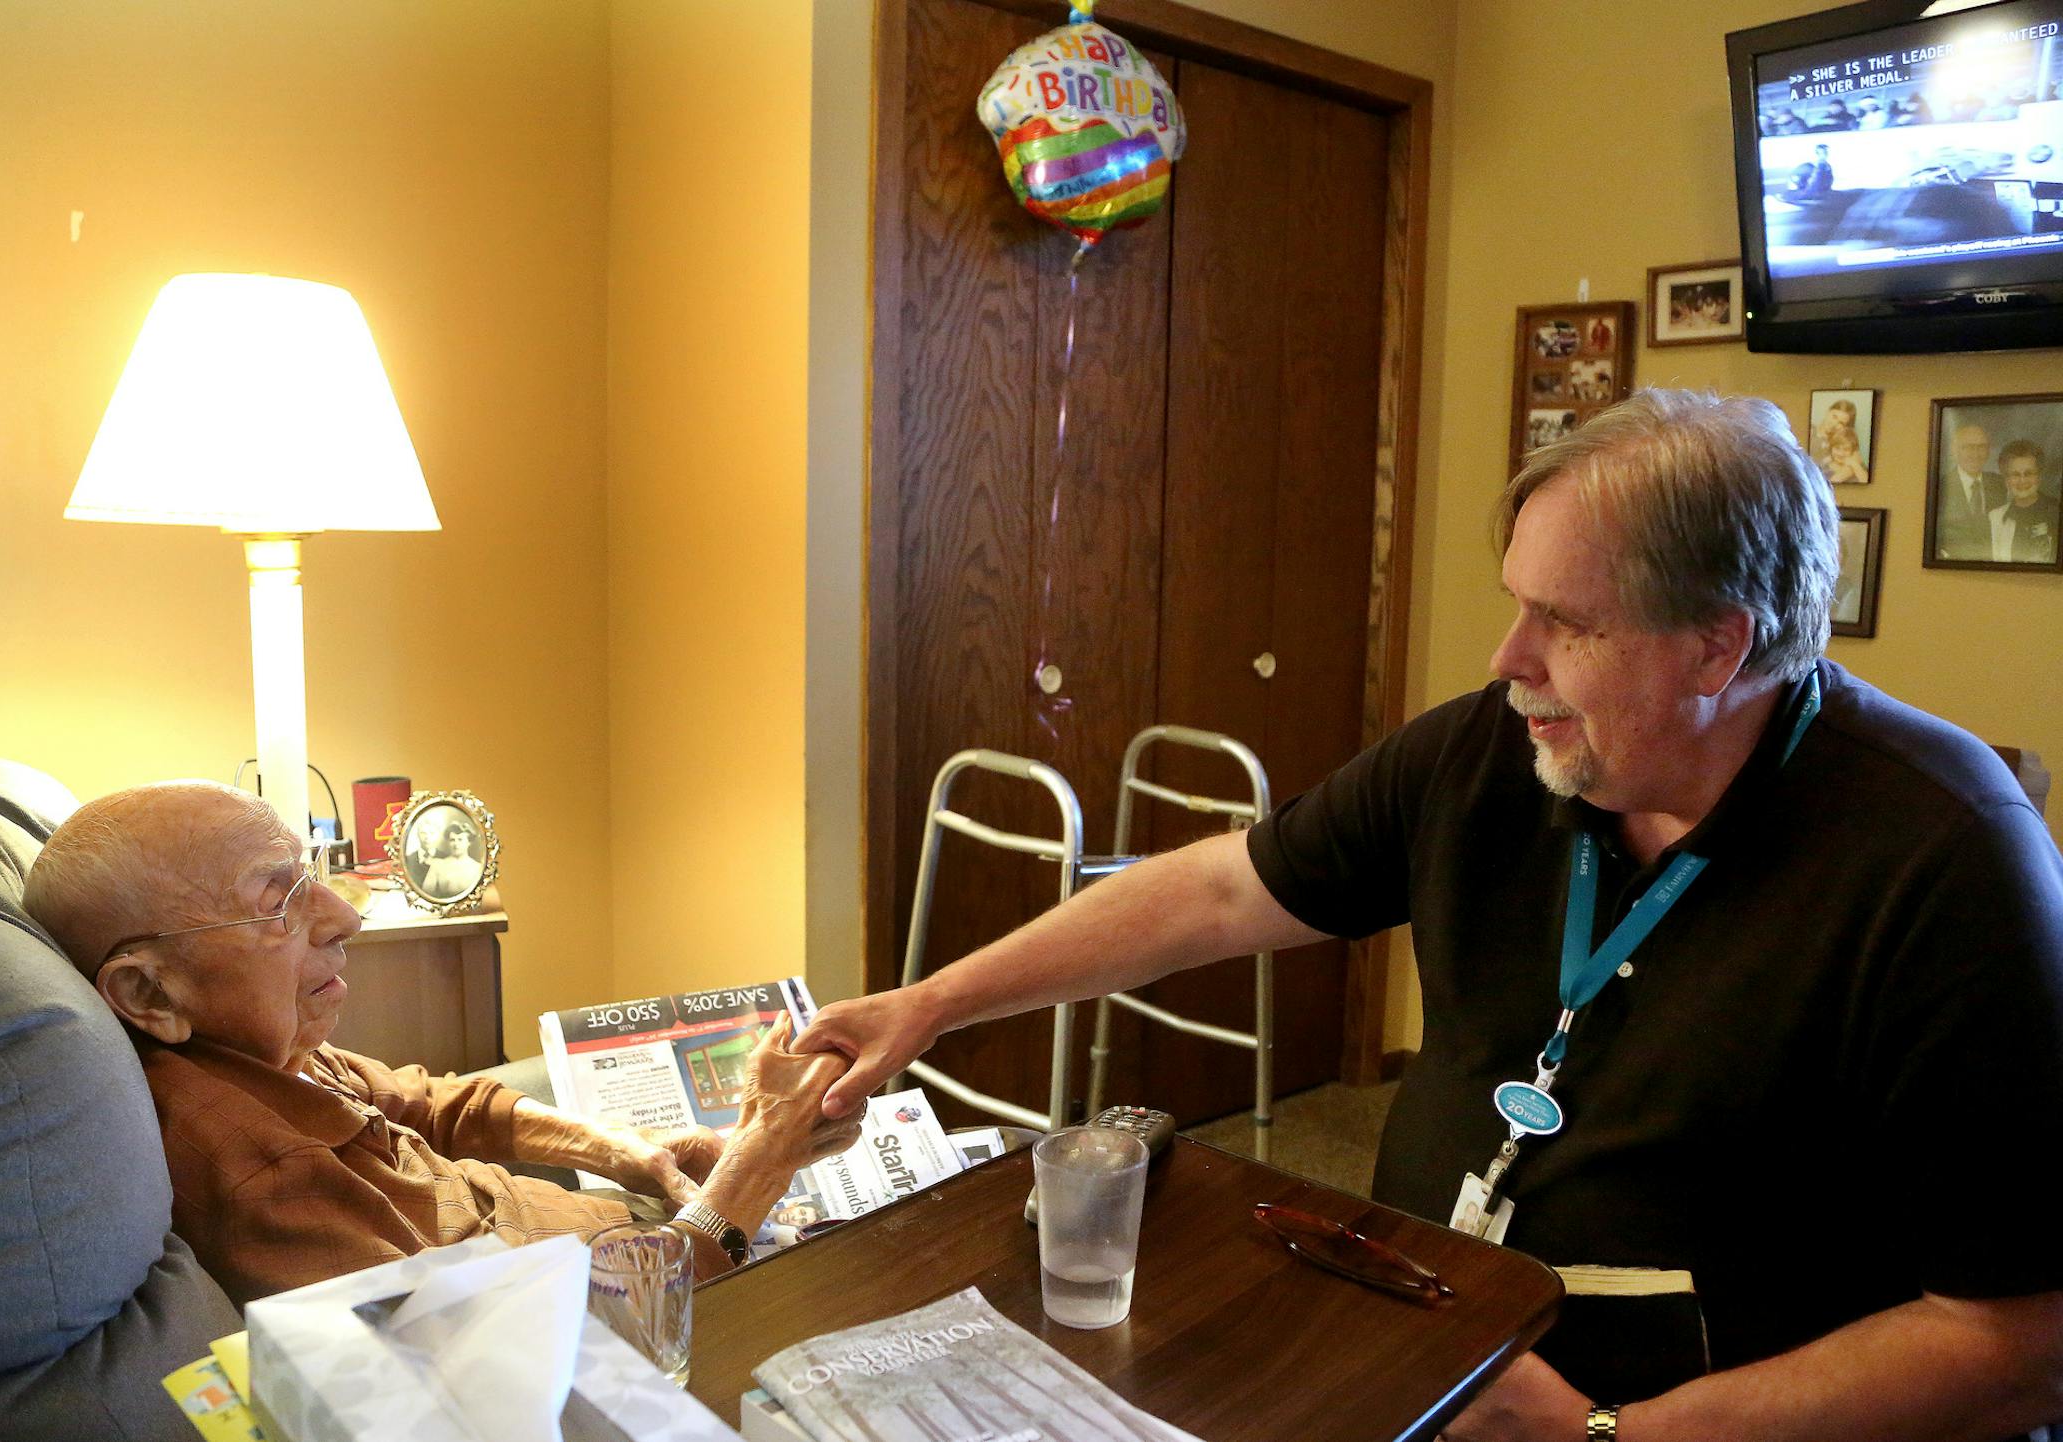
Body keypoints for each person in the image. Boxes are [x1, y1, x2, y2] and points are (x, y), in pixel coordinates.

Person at [800, 390, 2063, 1441]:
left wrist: (1604, 1436)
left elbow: (2012, 1342)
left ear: (1718, 647)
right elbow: (1229, 884)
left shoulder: (1949, 859)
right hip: (1435, 1354)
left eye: (1565, 622)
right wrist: (935, 1002)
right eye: (1516, 601)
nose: (1509, 658)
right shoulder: (1499, 745)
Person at [25, 781, 862, 1305]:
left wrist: (631, 1153)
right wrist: (755, 1173)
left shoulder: (262, 1050)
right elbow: (553, 1359)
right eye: (280, 902)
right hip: (661, 1302)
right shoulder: (259, 1175)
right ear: (148, 993)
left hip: (642, 1236)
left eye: (312, 872)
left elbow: (435, 1102)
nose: (345, 917)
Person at [1939, 420, 2008, 560]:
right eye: (1968, 447)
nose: (1975, 454)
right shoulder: (1940, 487)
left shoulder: (2000, 484)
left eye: (1981, 447)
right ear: (1954, 450)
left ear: (1989, 450)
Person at [1989, 439, 2058, 563]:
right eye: (2015, 474)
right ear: (2006, 480)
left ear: (2039, 476)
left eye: (2029, 473)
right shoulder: (1995, 518)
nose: (2022, 481)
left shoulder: (2057, 513)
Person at [422, 818, 484, 898]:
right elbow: (425, 895)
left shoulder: (478, 867)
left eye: (460, 839)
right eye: (452, 840)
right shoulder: (437, 865)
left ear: (469, 842)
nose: (456, 844)